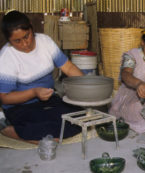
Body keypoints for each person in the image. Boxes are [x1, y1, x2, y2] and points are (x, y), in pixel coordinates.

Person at [0, 10, 84, 144]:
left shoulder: (45, 42)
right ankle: (10, 130)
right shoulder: (6, 56)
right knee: (46, 126)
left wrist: (88, 85)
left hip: (48, 99)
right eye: (17, 41)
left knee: (79, 117)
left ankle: (35, 136)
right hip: (20, 107)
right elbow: (5, 98)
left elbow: (68, 67)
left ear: (32, 29)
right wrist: (34, 92)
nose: (25, 44)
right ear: (9, 41)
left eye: (27, 36)